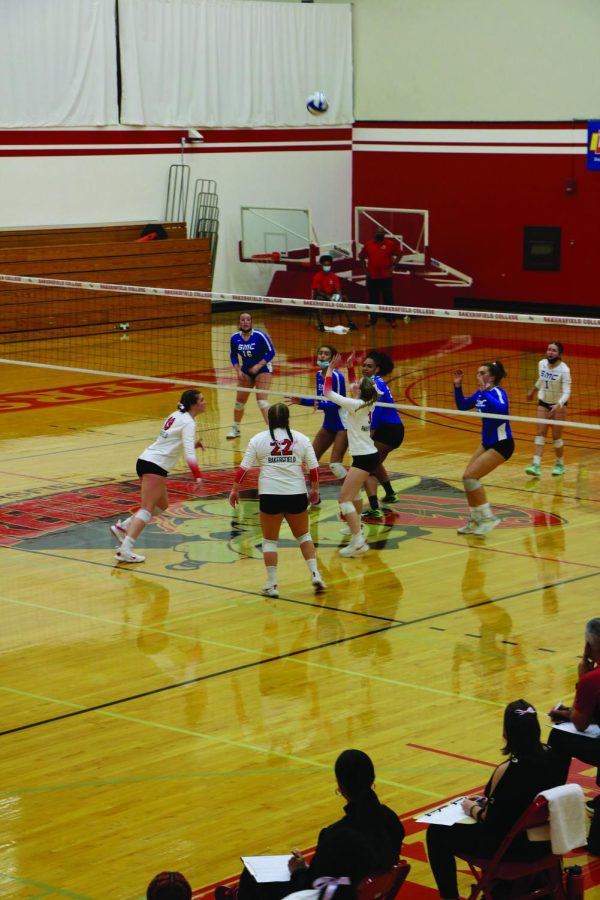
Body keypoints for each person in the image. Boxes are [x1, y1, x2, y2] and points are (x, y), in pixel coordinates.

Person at [426, 699, 563, 900]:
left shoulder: (507, 770)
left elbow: (491, 820)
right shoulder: (555, 757)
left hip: (512, 850)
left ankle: (450, 897)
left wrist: (472, 807)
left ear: (507, 732)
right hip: (547, 844)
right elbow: (524, 799)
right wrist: (487, 802)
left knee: (436, 832)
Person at [229, 749, 404, 900]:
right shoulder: (391, 820)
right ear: (372, 778)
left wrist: (298, 870)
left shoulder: (336, 836)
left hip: (334, 895)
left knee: (251, 876)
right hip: (365, 891)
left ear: (340, 786)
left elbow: (313, 885)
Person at [228, 402, 325, 597]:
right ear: (287, 419)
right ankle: (315, 575)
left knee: (270, 541)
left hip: (270, 495)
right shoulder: (302, 438)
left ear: (269, 419)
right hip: (296, 494)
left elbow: (243, 469)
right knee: (304, 536)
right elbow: (314, 469)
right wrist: (315, 489)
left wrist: (234, 490)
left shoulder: (258, 439)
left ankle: (272, 585)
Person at [110, 389, 205, 563]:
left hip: (147, 461)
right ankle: (125, 549)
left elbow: (173, 441)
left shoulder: (177, 415)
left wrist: (193, 443)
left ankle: (123, 527)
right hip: (155, 465)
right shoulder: (188, 423)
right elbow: (189, 455)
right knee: (147, 508)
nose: (205, 402)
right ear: (194, 404)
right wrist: (197, 477)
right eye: (202, 400)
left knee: (161, 505)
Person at [548, 617, 600, 853]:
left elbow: (580, 723)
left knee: (557, 737)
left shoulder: (592, 680)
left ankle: (550, 803)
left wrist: (582, 677)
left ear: (588, 647)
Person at [323, 354, 379, 557]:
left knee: (344, 499)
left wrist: (330, 369)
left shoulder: (355, 405)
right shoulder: (367, 402)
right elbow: (356, 386)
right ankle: (357, 525)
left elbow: (327, 391)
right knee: (354, 494)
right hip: (366, 454)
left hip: (364, 457)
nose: (354, 385)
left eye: (357, 385)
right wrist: (350, 369)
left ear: (360, 392)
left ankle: (358, 542)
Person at [453, 360, 514, 536]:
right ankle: (475, 520)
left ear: (491, 376)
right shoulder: (481, 394)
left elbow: (502, 410)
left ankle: (488, 518)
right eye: (477, 373)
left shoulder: (498, 392)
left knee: (471, 477)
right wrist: (457, 386)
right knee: (467, 478)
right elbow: (462, 405)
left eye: (482, 373)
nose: (477, 375)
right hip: (487, 443)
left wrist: (485, 392)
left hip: (503, 444)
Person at [350, 351, 404, 519]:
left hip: (388, 430)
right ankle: (390, 494)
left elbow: (378, 413)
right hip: (390, 429)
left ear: (377, 368)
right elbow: (355, 388)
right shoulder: (371, 381)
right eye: (364, 365)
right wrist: (350, 367)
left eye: (369, 366)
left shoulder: (376, 385)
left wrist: (368, 435)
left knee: (367, 465)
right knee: (374, 463)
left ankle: (374, 507)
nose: (365, 368)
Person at [287, 343, 349, 485]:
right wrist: (301, 401)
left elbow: (339, 403)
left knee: (335, 465)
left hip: (343, 425)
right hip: (328, 423)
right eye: (320, 353)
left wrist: (319, 405)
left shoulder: (337, 376)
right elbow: (320, 400)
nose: (321, 355)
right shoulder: (318, 375)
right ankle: (315, 494)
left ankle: (351, 495)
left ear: (333, 358)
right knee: (311, 460)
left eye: (326, 354)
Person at [525, 340, 571, 477]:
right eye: (548, 349)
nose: (550, 352)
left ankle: (559, 464)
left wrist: (558, 405)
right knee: (540, 433)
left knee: (556, 437)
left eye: (553, 350)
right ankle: (536, 465)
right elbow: (542, 378)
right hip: (543, 402)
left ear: (559, 353)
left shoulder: (564, 369)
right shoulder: (542, 363)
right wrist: (533, 391)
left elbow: (567, 391)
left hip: (558, 405)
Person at [227, 311, 276, 439]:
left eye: (248, 320)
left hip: (263, 369)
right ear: (239, 322)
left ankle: (272, 432)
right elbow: (233, 355)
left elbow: (271, 352)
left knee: (261, 401)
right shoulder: (234, 338)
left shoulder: (260, 335)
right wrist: (238, 370)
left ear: (251, 322)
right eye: (242, 320)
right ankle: (236, 429)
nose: (245, 322)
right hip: (246, 371)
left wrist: (259, 365)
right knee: (239, 402)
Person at [358, 226, 400, 327]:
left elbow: (399, 254)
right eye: (378, 232)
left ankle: (391, 320)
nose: (380, 234)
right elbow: (361, 257)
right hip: (372, 277)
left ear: (384, 234)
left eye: (381, 233)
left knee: (388, 299)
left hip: (386, 277)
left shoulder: (390, 244)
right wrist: (365, 271)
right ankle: (372, 320)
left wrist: (393, 266)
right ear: (375, 234)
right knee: (373, 299)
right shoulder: (368, 244)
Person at [311, 254, 357, 332]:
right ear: (321, 265)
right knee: (320, 299)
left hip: (331, 297)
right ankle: (320, 324)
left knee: (345, 298)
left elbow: (338, 289)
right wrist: (327, 296)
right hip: (321, 296)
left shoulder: (334, 276)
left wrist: (340, 296)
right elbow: (317, 291)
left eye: (328, 265)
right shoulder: (317, 276)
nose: (327, 267)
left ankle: (350, 322)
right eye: (325, 265)